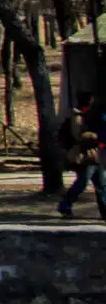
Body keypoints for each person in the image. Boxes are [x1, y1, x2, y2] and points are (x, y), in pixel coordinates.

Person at [59, 91, 106, 219]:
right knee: (83, 183)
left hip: (93, 155)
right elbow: (79, 136)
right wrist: (95, 136)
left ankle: (104, 210)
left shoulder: (86, 115)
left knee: (101, 184)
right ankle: (65, 205)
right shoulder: (77, 116)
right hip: (84, 156)